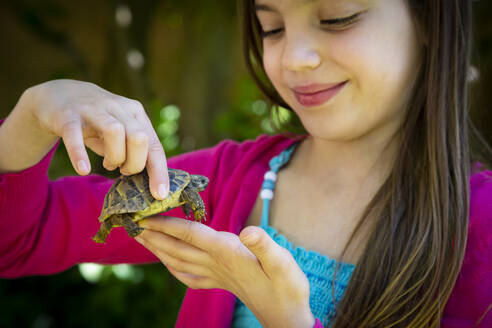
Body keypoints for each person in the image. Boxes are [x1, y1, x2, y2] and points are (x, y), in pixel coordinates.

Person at [0, 0, 491, 327]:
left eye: (338, 17)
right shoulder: (227, 181)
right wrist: (29, 120)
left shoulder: (481, 224)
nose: (294, 58)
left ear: (429, 19)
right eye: (271, 27)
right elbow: (17, 241)